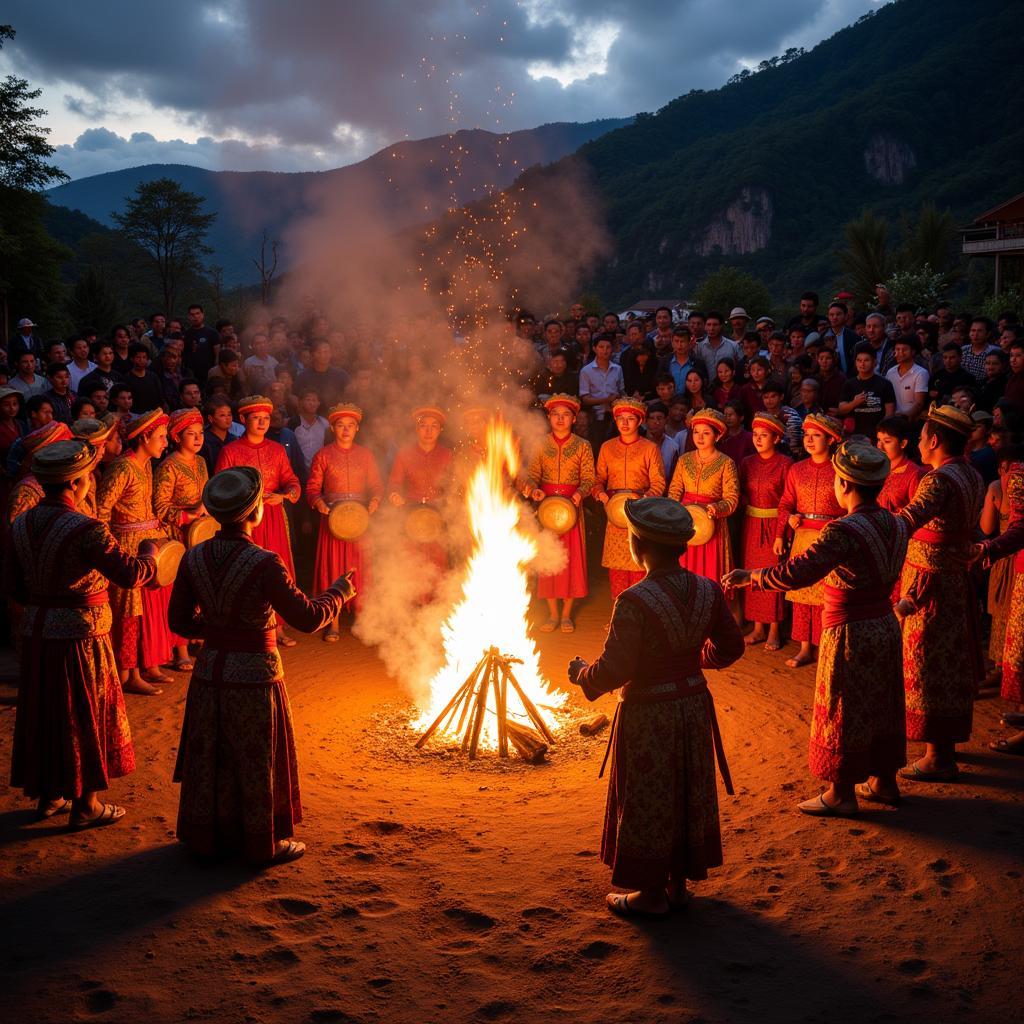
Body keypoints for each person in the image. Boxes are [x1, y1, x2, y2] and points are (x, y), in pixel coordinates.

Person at [568, 497, 743, 917]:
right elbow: (732, 646)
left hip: (650, 713)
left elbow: (615, 669)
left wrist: (581, 674)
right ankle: (678, 888)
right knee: (685, 790)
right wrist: (689, 661)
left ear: (637, 543)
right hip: (693, 705)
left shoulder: (634, 600)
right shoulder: (707, 589)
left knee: (649, 794)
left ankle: (649, 897)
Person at [170, 466, 354, 864]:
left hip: (209, 673)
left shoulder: (194, 556)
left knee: (214, 753)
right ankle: (260, 842)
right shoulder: (265, 562)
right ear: (256, 511)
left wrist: (220, 630)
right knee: (255, 757)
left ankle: (209, 837)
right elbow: (306, 618)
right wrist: (338, 593)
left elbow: (179, 623)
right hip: (255, 676)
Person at [725, 442, 909, 814]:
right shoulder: (897, 522)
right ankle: (884, 781)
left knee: (844, 704)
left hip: (850, 630)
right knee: (883, 701)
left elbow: (799, 571)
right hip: (886, 625)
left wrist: (752, 576)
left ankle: (841, 793)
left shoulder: (843, 529)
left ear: (843, 484)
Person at [5, 440, 158, 825]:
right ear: (76, 483)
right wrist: (152, 553)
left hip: (37, 633)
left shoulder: (21, 524)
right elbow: (130, 574)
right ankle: (86, 805)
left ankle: (49, 796)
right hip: (81, 636)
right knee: (84, 714)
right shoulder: (86, 528)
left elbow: (13, 585)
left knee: (46, 711)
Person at [896, 404, 985, 781]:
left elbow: (908, 520)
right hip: (951, 580)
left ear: (934, 440)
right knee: (949, 662)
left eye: (921, 436)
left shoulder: (938, 480)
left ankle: (938, 755)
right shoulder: (970, 474)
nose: (918, 442)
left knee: (927, 663)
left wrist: (867, 516)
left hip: (929, 582)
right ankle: (944, 746)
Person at [96, 409, 176, 695]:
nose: (166, 443)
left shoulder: (146, 466)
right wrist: (109, 550)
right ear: (144, 437)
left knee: (147, 610)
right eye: (161, 437)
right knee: (128, 613)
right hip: (126, 548)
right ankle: (127, 674)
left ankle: (146, 665)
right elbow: (102, 510)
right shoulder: (122, 467)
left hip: (147, 545)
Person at [216, 396, 302, 645]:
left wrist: (286, 495)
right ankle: (247, 626)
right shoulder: (230, 451)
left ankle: (278, 628)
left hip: (273, 517)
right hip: (244, 520)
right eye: (256, 418)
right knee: (245, 570)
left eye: (266, 418)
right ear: (243, 420)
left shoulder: (276, 450)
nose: (263, 422)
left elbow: (292, 480)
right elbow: (220, 487)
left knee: (277, 570)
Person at [307, 403, 383, 641]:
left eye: (351, 426)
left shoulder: (366, 455)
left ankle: (363, 619)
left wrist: (375, 502)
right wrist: (318, 502)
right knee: (334, 568)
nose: (346, 430)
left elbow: (377, 486)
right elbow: (311, 488)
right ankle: (334, 621)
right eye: (341, 426)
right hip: (333, 520)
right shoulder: (323, 455)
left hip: (360, 520)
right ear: (332, 428)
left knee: (361, 567)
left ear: (357, 428)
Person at [776, 413, 845, 668]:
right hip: (803, 537)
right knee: (803, 593)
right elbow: (784, 504)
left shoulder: (840, 470)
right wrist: (787, 522)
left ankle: (826, 645)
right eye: (807, 435)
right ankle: (805, 648)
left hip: (829, 540)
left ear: (830, 440)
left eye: (817, 436)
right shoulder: (796, 469)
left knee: (827, 595)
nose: (810, 440)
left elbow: (849, 507)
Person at [523, 394, 595, 634]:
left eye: (566, 415)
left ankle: (566, 614)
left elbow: (588, 479)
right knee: (547, 559)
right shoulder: (540, 443)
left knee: (571, 560)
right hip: (546, 511)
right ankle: (552, 613)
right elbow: (532, 474)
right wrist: (533, 490)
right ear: (549, 418)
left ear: (574, 419)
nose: (560, 419)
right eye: (555, 415)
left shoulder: (583, 445)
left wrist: (580, 494)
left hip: (571, 511)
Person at [153, 408, 211, 672]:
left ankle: (202, 639)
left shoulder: (200, 463)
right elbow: (160, 507)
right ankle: (181, 650)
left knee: (203, 587)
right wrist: (190, 515)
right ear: (177, 437)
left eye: (200, 433)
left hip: (202, 535)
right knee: (182, 591)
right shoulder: (168, 466)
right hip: (178, 536)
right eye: (191, 434)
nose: (198, 438)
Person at [593, 397, 666, 598]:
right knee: (616, 570)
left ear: (640, 421)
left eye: (630, 419)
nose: (625, 423)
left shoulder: (650, 448)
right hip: (615, 516)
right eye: (620, 419)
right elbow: (598, 478)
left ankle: (639, 617)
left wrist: (642, 498)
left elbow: (659, 484)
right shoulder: (607, 447)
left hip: (641, 516)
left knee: (639, 565)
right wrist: (600, 493)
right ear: (615, 421)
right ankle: (619, 615)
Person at [738, 413, 792, 652]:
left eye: (764, 436)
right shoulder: (747, 463)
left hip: (774, 526)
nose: (758, 440)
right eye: (756, 435)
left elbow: (788, 502)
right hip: (751, 524)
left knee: (772, 575)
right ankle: (757, 627)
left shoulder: (786, 464)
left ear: (777, 438)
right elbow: (739, 494)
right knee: (751, 574)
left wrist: (782, 532)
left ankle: (774, 629)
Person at [667, 409, 739, 587]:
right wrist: (674, 513)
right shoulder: (684, 460)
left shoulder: (726, 463)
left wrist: (716, 508)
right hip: (686, 522)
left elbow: (732, 498)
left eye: (706, 433)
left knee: (710, 576)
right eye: (696, 432)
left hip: (711, 523)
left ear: (717, 435)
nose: (699, 437)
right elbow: (675, 491)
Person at [387, 405, 454, 580]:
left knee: (438, 557)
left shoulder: (447, 455)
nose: (429, 431)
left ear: (440, 430)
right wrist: (395, 495)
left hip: (438, 513)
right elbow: (394, 483)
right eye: (424, 425)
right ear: (417, 429)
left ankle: (437, 600)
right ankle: (411, 600)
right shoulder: (404, 454)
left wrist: (451, 499)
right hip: (411, 512)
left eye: (434, 426)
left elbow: (454, 486)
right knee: (411, 557)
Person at [838, 343, 896, 440]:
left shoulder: (885, 384)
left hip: (878, 436)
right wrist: (854, 403)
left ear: (874, 362)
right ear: (855, 363)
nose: (862, 363)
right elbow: (841, 409)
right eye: (859, 360)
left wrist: (881, 433)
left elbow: (889, 414)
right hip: (855, 436)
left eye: (866, 360)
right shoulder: (849, 384)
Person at [579, 336, 625, 450]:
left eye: (608, 347)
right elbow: (585, 399)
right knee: (597, 448)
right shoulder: (586, 370)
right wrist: (605, 400)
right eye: (601, 347)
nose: (605, 350)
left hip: (614, 415)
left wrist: (616, 400)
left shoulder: (617, 369)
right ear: (594, 348)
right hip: (595, 416)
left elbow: (621, 391)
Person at [876, 415, 926, 515]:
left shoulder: (914, 474)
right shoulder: (877, 468)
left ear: (903, 443)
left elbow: (917, 514)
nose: (880, 446)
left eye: (887, 441)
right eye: (878, 440)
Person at [885, 336, 930, 422]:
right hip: (891, 420)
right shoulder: (890, 372)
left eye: (904, 350)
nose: (900, 353)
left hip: (910, 421)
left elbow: (919, 403)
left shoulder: (921, 373)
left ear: (913, 352)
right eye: (897, 349)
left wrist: (904, 416)